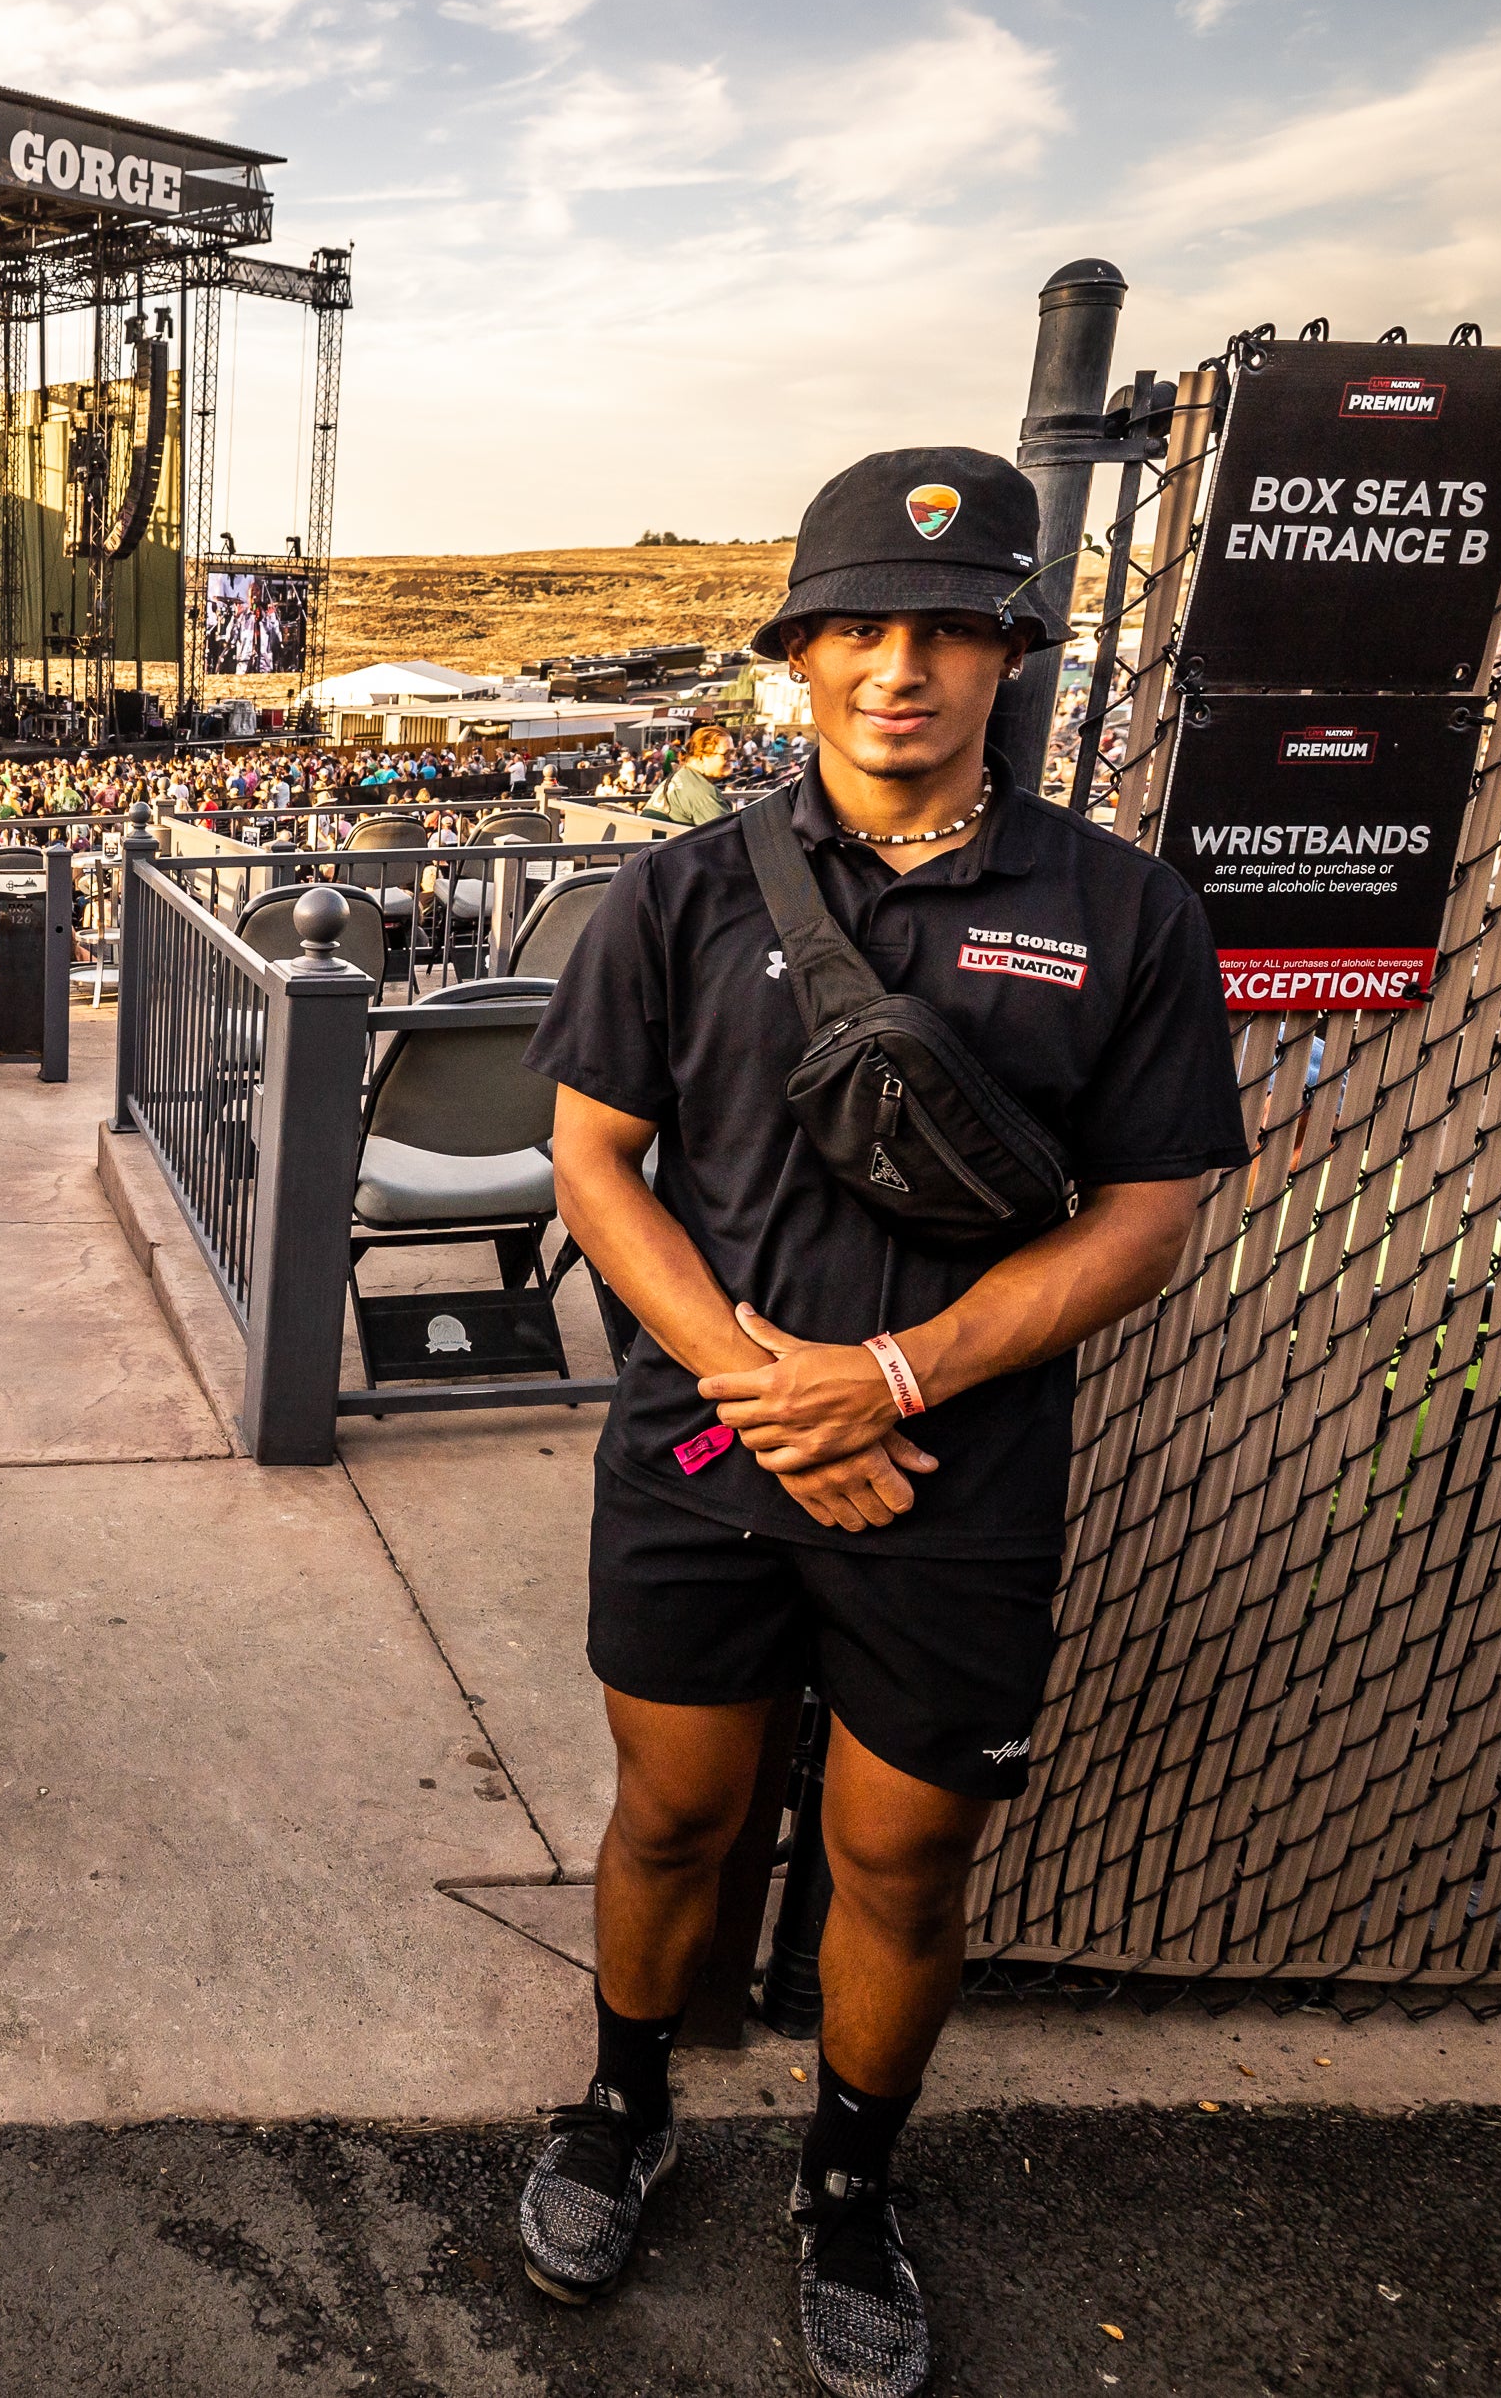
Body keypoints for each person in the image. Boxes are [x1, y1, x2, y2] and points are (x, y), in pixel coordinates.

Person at [513, 447, 1247, 2395]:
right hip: (706, 1450)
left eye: (943, 629)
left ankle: (847, 2182)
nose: (897, 666)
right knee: (674, 1811)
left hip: (957, 1468)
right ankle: (620, 2101)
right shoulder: (677, 890)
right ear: (800, 656)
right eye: (854, 628)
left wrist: (897, 1377)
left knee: (902, 1859)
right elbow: (593, 1162)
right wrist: (778, 1393)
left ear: (1008, 653)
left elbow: (1148, 1215)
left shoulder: (1120, 910)